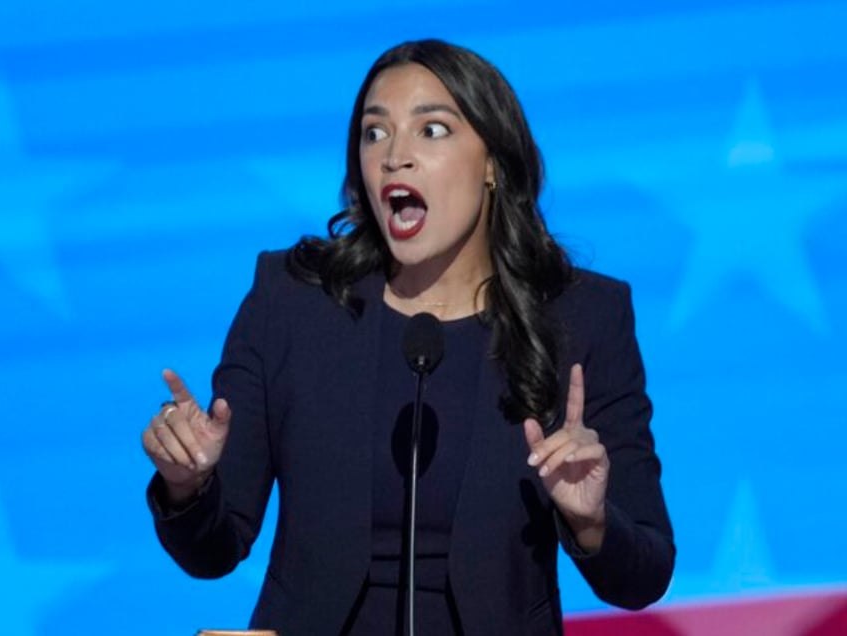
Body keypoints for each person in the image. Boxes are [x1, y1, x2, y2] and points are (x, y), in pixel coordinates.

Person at [142, 39, 675, 636]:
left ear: (494, 163)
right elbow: (213, 551)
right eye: (375, 133)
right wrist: (187, 484)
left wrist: (592, 521)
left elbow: (645, 575)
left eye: (433, 131)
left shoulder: (583, 316)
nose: (395, 156)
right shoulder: (291, 301)